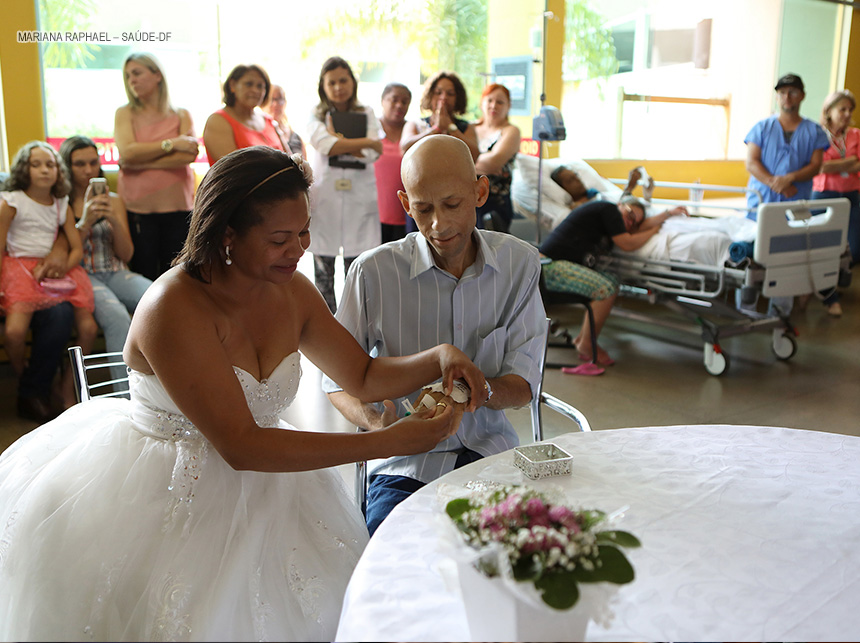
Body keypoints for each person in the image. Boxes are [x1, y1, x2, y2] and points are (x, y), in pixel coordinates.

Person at [0, 146, 488, 641]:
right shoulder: (174, 308)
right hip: (164, 490)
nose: (299, 248)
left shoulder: (292, 291)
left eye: (303, 231)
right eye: (280, 238)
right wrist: (388, 442)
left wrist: (438, 357)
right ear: (226, 234)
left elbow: (360, 373)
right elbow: (242, 445)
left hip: (273, 485)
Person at [323, 135, 547, 536]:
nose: (438, 225)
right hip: (405, 464)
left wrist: (480, 391)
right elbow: (335, 381)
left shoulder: (519, 264)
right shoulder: (373, 273)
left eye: (452, 205)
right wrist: (377, 423)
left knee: (522, 553)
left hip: (490, 454)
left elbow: (524, 382)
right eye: (423, 209)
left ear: (480, 191)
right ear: (406, 204)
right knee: (394, 557)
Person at [0, 141, 97, 418]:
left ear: (59, 170)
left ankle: (64, 389)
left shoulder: (60, 204)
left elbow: (75, 246)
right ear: (23, 169)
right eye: (36, 164)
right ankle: (27, 378)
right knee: (14, 333)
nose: (45, 170)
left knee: (84, 327)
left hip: (58, 273)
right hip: (19, 272)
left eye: (51, 164)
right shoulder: (11, 202)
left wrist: (61, 267)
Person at [539, 195, 687, 366]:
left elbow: (634, 230)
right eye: (630, 215)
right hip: (548, 266)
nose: (630, 222)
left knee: (612, 282)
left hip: (558, 266)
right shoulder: (608, 209)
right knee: (605, 288)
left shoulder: (610, 226)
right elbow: (628, 243)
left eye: (634, 222)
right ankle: (587, 344)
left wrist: (667, 215)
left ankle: (582, 340)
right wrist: (655, 229)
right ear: (620, 205)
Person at [60, 136, 153, 364]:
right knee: (117, 317)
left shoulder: (114, 201)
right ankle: (124, 394)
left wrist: (114, 220)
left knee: (159, 300)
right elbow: (66, 253)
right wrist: (85, 222)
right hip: (83, 275)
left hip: (115, 270)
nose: (88, 170)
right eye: (79, 164)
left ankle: (162, 383)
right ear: (67, 167)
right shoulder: (62, 203)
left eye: (93, 162)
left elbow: (127, 254)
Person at [743, 73, 830, 316]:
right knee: (751, 255)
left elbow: (815, 165)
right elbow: (751, 162)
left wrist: (790, 178)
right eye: (782, 92)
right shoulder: (762, 127)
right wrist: (774, 182)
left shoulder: (813, 131)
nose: (786, 97)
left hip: (796, 202)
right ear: (777, 96)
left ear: (802, 96)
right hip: (761, 203)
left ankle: (780, 312)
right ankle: (746, 308)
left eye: (792, 92)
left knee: (787, 258)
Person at [306, 56, 383, 312]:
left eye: (343, 80)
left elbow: (374, 152)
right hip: (326, 197)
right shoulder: (316, 114)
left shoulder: (367, 112)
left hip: (357, 199)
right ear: (322, 86)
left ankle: (354, 327)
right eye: (331, 82)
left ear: (353, 82)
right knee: (323, 273)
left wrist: (341, 140)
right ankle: (325, 327)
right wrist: (364, 142)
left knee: (357, 270)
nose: (338, 87)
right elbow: (325, 145)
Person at [114, 53, 198, 282]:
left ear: (157, 75)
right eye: (128, 75)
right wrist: (172, 144)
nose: (132, 80)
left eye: (137, 73)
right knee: (145, 275)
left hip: (178, 208)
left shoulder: (181, 114)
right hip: (139, 210)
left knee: (178, 278)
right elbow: (127, 152)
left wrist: (138, 161)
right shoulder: (125, 113)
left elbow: (188, 155)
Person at [811, 89, 860, 317]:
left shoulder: (856, 135)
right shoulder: (817, 135)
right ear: (828, 111)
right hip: (823, 196)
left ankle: (829, 281)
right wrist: (848, 162)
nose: (847, 113)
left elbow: (858, 164)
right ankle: (829, 294)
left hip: (851, 196)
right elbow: (819, 166)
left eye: (850, 110)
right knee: (821, 246)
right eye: (842, 109)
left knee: (855, 249)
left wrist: (836, 164)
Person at [203, 64, 293, 165]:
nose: (255, 90)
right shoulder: (218, 121)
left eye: (260, 86)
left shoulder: (269, 121)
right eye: (249, 84)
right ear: (232, 85)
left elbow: (291, 161)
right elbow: (234, 169)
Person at [400, 71, 480, 163]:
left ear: (458, 98)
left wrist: (451, 127)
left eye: (450, 94)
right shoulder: (415, 124)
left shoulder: (467, 127)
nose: (443, 97)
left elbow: (475, 155)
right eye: (438, 92)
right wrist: (436, 129)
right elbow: (405, 148)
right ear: (430, 95)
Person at [473, 83, 521, 233]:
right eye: (490, 100)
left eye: (500, 102)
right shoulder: (470, 128)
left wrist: (464, 161)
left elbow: (494, 164)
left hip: (494, 203)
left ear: (508, 106)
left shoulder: (510, 131)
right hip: (466, 201)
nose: (494, 105)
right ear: (482, 103)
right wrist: (483, 162)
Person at [376, 82, 412, 242]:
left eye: (405, 102)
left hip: (406, 214)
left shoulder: (412, 132)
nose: (399, 105)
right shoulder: (371, 129)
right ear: (383, 100)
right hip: (373, 215)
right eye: (394, 100)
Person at [262, 83, 307, 158]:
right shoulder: (261, 135)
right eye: (271, 99)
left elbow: (305, 165)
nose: (276, 104)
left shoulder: (296, 137)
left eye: (280, 99)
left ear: (285, 102)